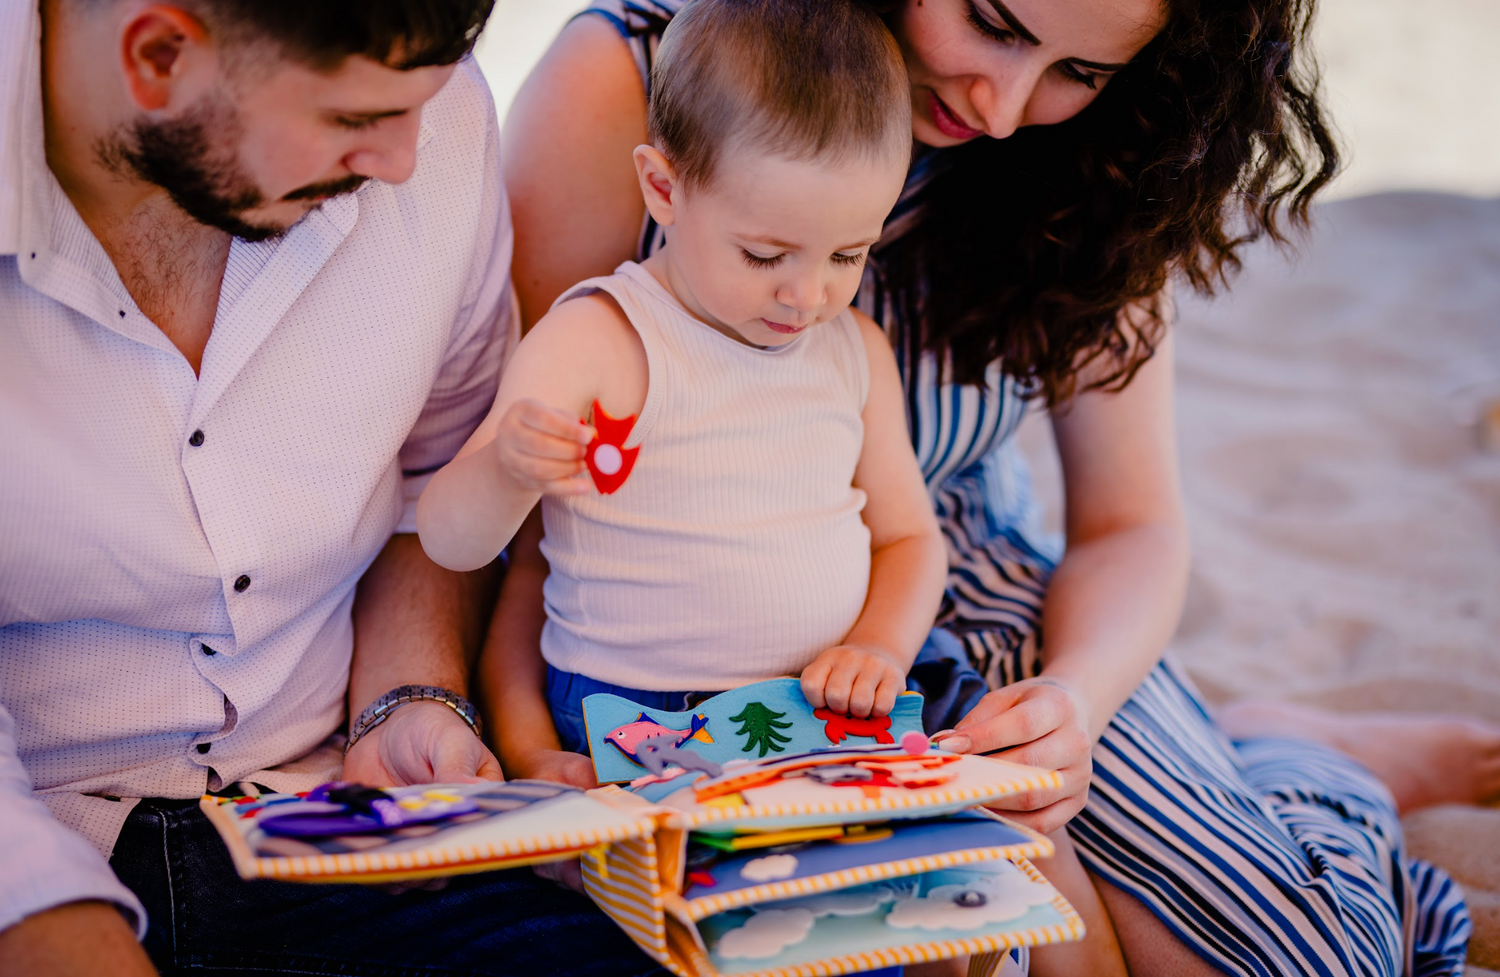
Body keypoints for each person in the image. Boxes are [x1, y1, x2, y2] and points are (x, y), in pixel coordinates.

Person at [484, 0, 1497, 975]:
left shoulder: (1105, 163)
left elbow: (1131, 523)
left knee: (1304, 960)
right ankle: (1241, 745)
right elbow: (522, 491)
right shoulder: (641, 78)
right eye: (994, 23)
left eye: (1079, 72)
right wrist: (490, 717)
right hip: (698, 633)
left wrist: (1077, 699)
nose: (1003, 108)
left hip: (977, 582)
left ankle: (1301, 759)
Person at [0, 1, 662, 975]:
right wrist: (39, 908)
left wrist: (406, 697)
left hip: (327, 814)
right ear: (159, 54)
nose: (402, 162)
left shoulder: (429, 117)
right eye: (355, 124)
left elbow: (438, 469)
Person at [417, 0, 948, 757]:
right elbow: (453, 542)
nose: (809, 296)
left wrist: (880, 648)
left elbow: (909, 539)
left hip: (823, 708)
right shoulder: (602, 339)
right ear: (663, 189)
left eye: (848, 254)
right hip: (640, 718)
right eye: (765, 255)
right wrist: (504, 469)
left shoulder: (853, 351)